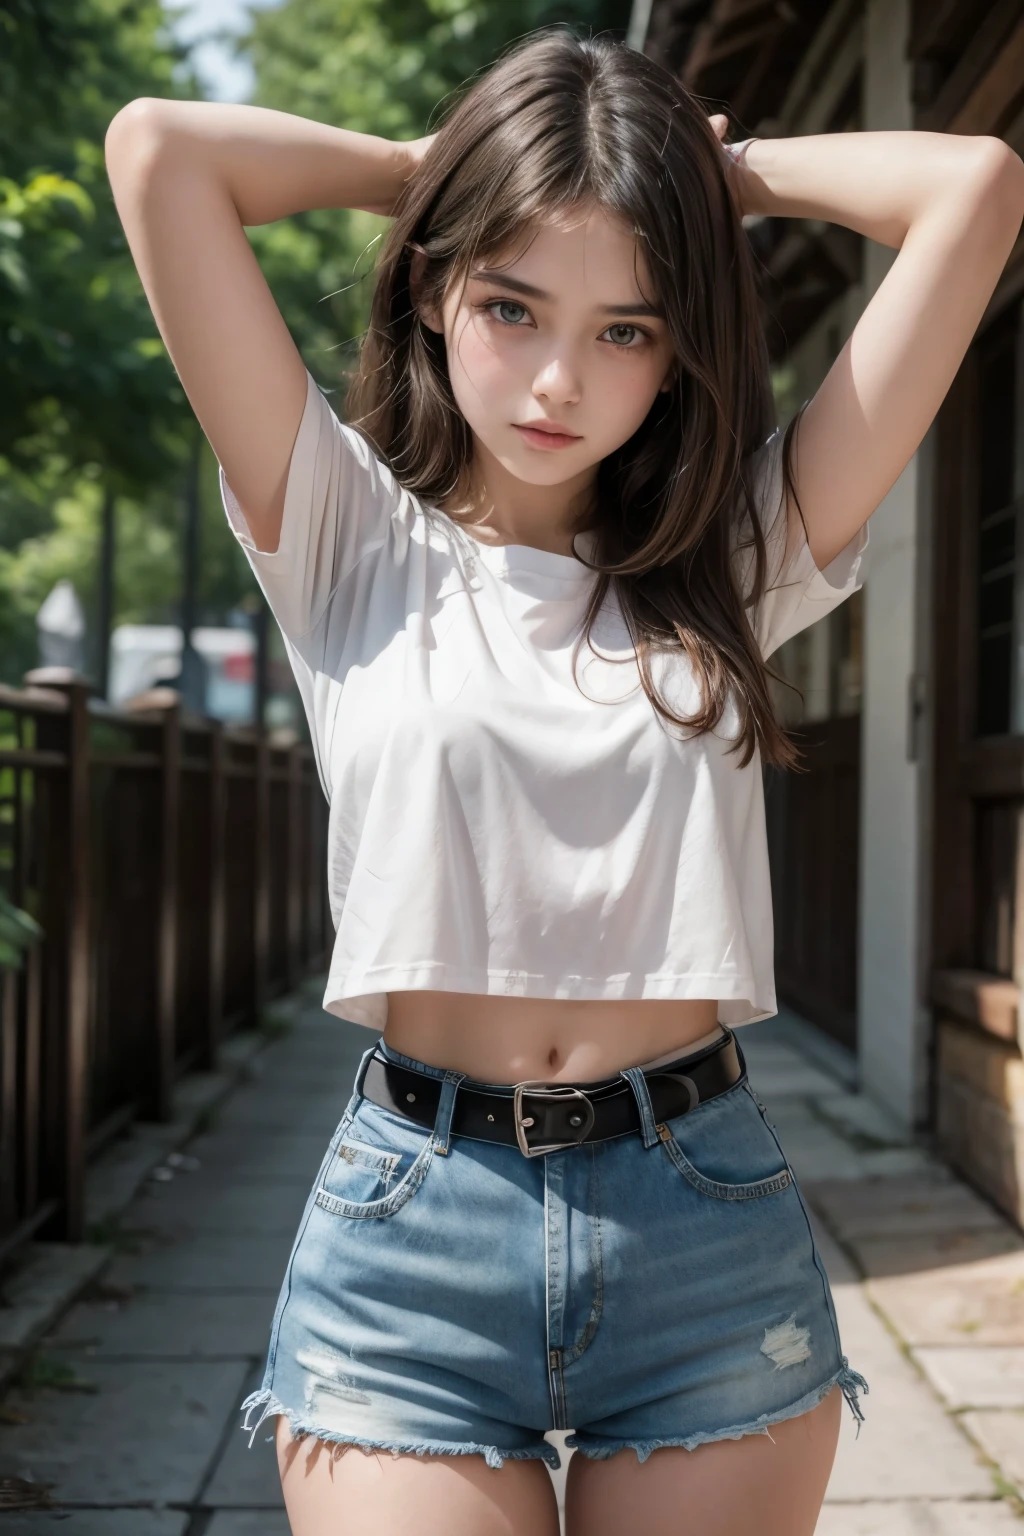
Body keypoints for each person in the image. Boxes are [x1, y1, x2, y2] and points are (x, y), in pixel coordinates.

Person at [105, 29, 1024, 1535]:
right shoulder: (345, 535)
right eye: (513, 304)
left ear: (679, 350)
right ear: (433, 287)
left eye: (626, 329)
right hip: (410, 1235)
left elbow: (976, 187)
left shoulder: (737, 553)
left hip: (700, 1226)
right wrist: (439, 166)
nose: (555, 379)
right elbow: (160, 151)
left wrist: (710, 173)